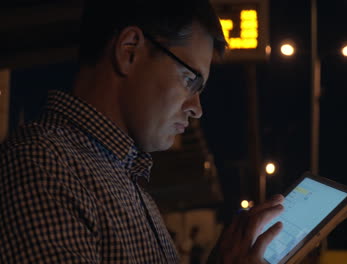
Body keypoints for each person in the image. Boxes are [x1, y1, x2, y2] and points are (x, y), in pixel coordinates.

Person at [0, 0, 285, 263]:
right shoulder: (41, 167)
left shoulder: (121, 181)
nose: (197, 108)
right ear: (130, 50)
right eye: (190, 79)